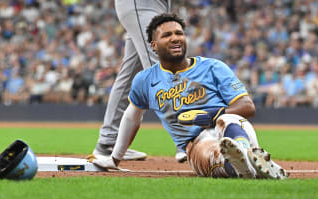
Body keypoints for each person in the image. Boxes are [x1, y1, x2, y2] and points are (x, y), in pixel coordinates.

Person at [92, 13, 288, 179]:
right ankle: (246, 163)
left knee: (227, 119)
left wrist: (212, 114)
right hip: (195, 145)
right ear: (154, 45)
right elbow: (131, 116)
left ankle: (244, 155)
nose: (175, 38)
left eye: (179, 33)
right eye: (167, 35)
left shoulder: (213, 66)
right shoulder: (145, 79)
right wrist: (115, 158)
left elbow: (247, 107)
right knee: (212, 152)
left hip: (232, 129)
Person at [92, 0, 187, 162]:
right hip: (141, 5)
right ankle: (185, 138)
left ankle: (108, 142)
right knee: (164, 66)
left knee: (128, 76)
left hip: (155, 8)